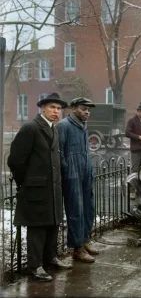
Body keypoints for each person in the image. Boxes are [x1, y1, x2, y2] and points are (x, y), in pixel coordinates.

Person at [7, 92, 71, 282]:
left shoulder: (55, 129)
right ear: (43, 108)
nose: (56, 111)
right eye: (52, 107)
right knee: (37, 228)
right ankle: (34, 266)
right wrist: (25, 182)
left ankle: (50, 259)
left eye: (59, 108)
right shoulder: (31, 128)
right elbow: (15, 161)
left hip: (52, 188)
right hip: (36, 188)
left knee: (52, 224)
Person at [56, 97, 99, 263]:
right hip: (72, 173)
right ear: (73, 108)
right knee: (75, 210)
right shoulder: (64, 126)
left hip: (85, 171)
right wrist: (67, 170)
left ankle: (85, 239)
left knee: (88, 208)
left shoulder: (83, 126)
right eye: (83, 108)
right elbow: (59, 153)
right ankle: (77, 248)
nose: (87, 112)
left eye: (89, 109)